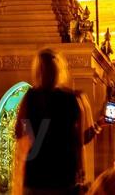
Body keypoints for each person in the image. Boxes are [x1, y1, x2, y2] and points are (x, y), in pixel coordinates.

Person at [13, 49, 98, 194]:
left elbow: (19, 131)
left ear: (38, 71)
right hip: (64, 170)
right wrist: (81, 169)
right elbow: (78, 140)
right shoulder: (72, 98)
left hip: (36, 171)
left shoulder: (31, 97)